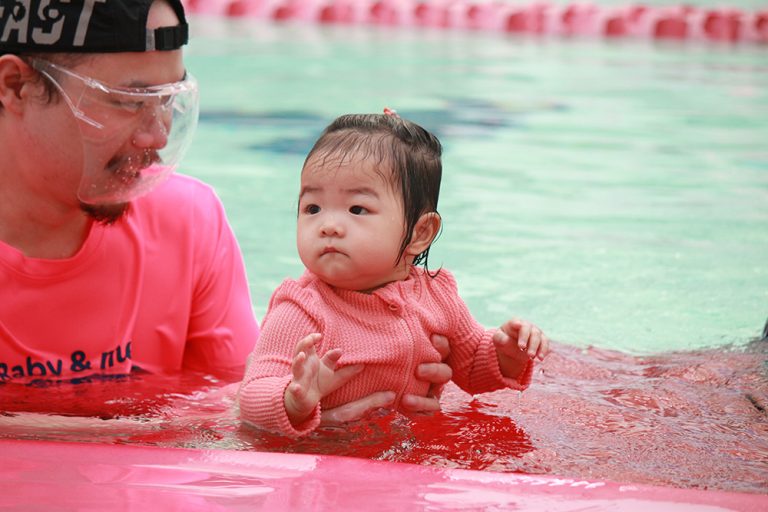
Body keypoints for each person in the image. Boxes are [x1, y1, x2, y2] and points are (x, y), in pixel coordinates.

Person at [0, 1, 450, 420]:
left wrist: (323, 405)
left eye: (167, 101)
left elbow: (239, 403)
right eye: (127, 101)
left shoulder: (188, 221)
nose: (156, 136)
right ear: (15, 86)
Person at [238, 111, 551, 437]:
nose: (328, 225)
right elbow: (252, 392)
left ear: (420, 232)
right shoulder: (303, 308)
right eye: (312, 208)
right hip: (327, 454)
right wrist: (294, 399)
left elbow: (472, 368)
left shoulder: (437, 295)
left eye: (357, 209)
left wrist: (508, 353)